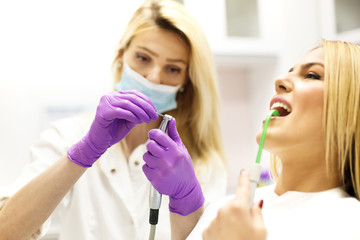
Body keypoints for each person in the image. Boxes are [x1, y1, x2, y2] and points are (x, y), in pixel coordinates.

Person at [0, 0, 227, 239]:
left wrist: (187, 200)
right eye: (143, 58)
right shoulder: (66, 136)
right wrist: (83, 153)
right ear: (121, 54)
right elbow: (5, 231)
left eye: (173, 69)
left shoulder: (202, 163)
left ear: (186, 82)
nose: (153, 77)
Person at [142, 39, 360, 240]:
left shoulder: (349, 221)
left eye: (312, 75)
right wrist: (185, 201)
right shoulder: (225, 209)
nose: (280, 80)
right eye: (289, 71)